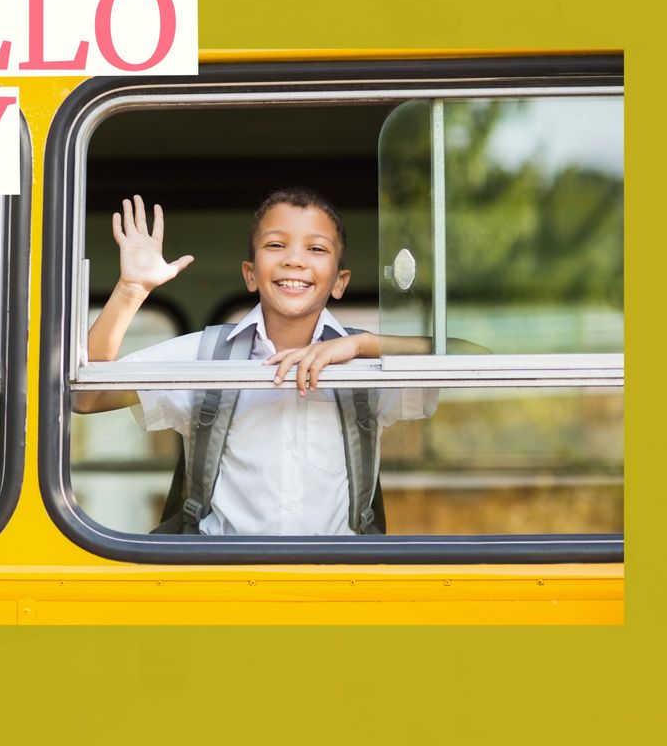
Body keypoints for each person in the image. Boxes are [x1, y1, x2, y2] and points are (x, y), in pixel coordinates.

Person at [75, 189, 475, 536]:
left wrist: (361, 346)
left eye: (316, 249)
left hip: (336, 585)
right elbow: (87, 398)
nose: (294, 261)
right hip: (223, 583)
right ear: (251, 275)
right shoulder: (204, 355)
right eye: (276, 245)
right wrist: (132, 289)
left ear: (340, 281)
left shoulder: (364, 364)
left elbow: (474, 358)